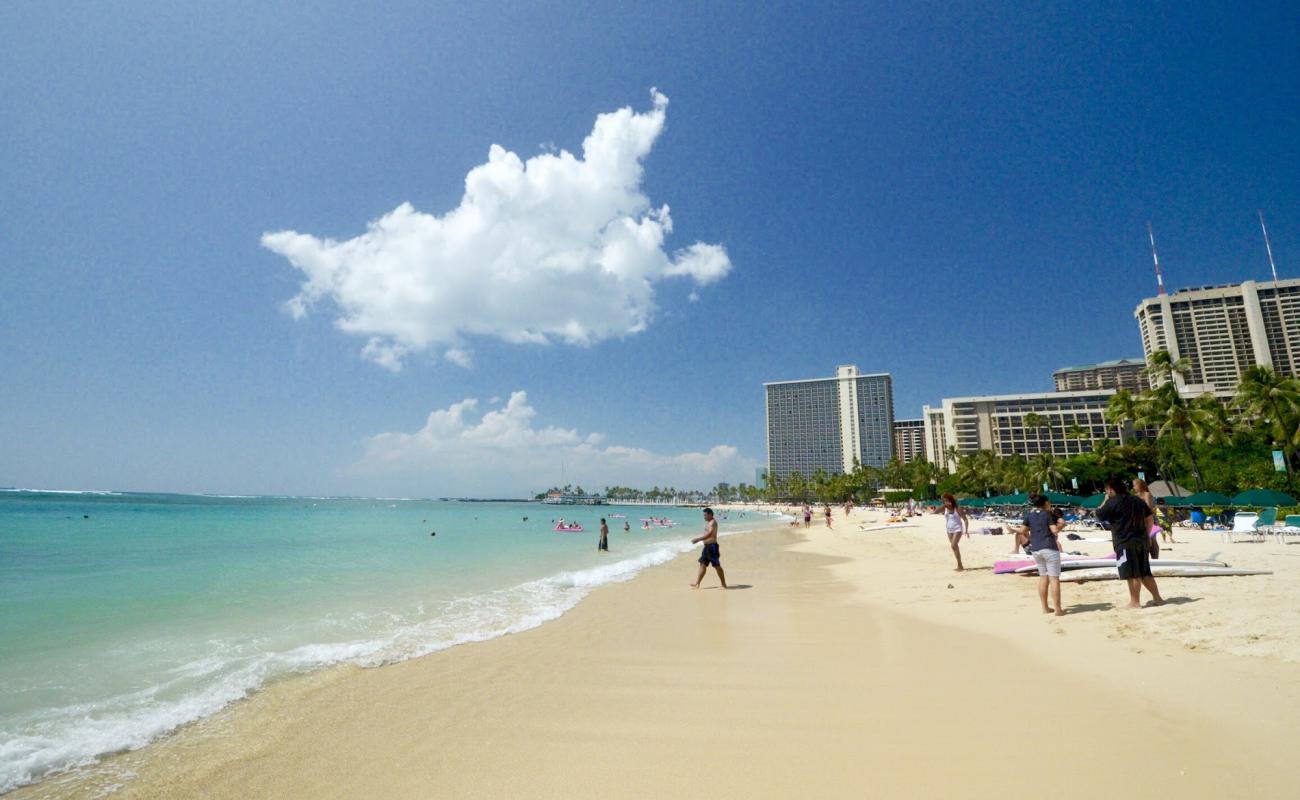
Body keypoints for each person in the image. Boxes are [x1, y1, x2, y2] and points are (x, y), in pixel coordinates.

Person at [1097, 477, 1165, 609]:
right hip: (1142, 539)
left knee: (1132, 573)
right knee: (1145, 572)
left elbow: (1099, 514)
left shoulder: (1112, 502)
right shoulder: (1137, 500)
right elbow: (1149, 518)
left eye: (1107, 490)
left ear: (1110, 490)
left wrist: (1106, 499)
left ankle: (1135, 602)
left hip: (1125, 541)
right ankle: (1158, 598)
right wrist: (1146, 534)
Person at [1018, 495, 1068, 616]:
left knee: (1043, 578)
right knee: (1054, 578)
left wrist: (1032, 537)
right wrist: (1062, 525)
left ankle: (1045, 608)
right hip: (1049, 548)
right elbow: (1054, 530)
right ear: (1045, 503)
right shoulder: (1048, 514)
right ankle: (1058, 609)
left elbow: (1022, 530)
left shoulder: (1029, 514)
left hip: (1036, 549)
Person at [690, 507, 727, 589]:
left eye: (705, 515)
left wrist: (698, 539)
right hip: (706, 547)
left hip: (712, 547)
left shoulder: (713, 523)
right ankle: (697, 583)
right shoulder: (708, 522)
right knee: (702, 564)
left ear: (710, 514)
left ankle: (723, 584)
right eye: (704, 515)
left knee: (717, 566)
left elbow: (710, 534)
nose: (704, 517)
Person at [1132, 478, 1161, 558]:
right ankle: (1145, 557)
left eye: (1135, 485)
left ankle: (1155, 558)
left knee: (1152, 538)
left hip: (1150, 518)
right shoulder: (1135, 496)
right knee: (1144, 539)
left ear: (1140, 485)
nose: (1134, 487)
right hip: (1140, 520)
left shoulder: (1147, 494)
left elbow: (1149, 508)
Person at [941, 494, 969, 571]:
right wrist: (943, 506)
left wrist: (966, 530)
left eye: (948, 500)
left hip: (958, 529)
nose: (946, 502)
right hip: (949, 529)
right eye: (945, 501)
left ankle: (960, 565)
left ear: (951, 500)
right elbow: (935, 511)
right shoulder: (945, 508)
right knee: (954, 547)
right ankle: (960, 565)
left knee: (953, 545)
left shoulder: (957, 508)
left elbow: (965, 519)